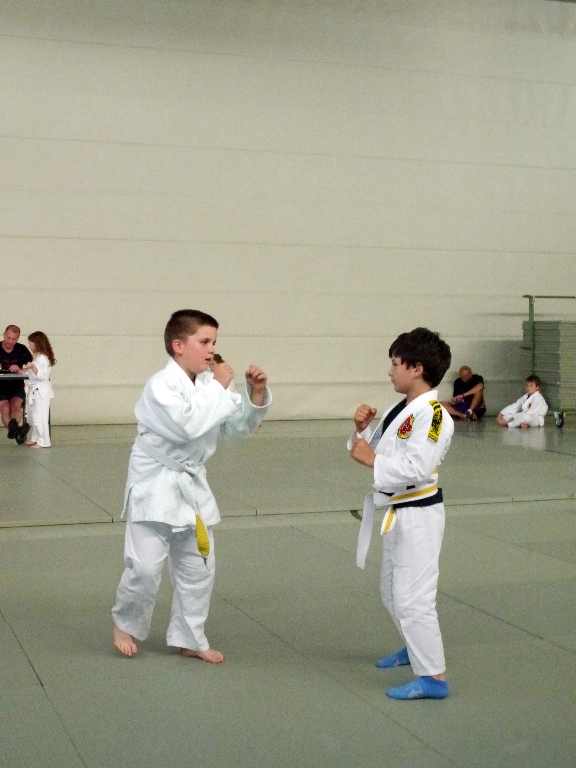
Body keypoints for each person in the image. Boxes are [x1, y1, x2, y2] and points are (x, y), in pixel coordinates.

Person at [112, 309, 271, 662]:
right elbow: (187, 426)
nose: (212, 349)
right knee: (145, 568)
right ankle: (124, 623)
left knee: (200, 567)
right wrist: (218, 386)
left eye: (214, 342)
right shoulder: (161, 386)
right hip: (154, 484)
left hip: (192, 488)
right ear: (178, 345)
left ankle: (189, 637)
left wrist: (256, 394)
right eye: (204, 341)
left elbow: (237, 428)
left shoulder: (209, 383)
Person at [348, 327, 453, 700]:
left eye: (395, 364)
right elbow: (369, 451)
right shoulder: (401, 409)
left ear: (417, 367)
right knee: (391, 590)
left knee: (414, 599)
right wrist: (361, 431)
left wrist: (371, 459)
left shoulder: (435, 416)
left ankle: (434, 678)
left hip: (419, 516)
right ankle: (415, 647)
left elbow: (417, 467)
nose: (390, 371)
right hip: (398, 511)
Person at [0, 324, 33, 442]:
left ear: (18, 338)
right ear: (4, 335)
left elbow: (33, 367)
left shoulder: (21, 349)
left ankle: (13, 430)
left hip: (16, 385)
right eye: (8, 338)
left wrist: (20, 370)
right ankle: (17, 431)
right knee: (4, 407)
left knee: (16, 405)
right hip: (1, 386)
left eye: (14, 339)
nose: (10, 341)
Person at [23, 332, 56, 448]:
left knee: (41, 417)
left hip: (41, 391)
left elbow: (43, 376)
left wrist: (32, 367)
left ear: (38, 344)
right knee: (35, 415)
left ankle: (44, 441)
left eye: (31, 344)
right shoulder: (37, 356)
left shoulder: (43, 358)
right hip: (35, 390)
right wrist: (23, 370)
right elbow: (32, 374)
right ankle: (36, 439)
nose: (29, 346)